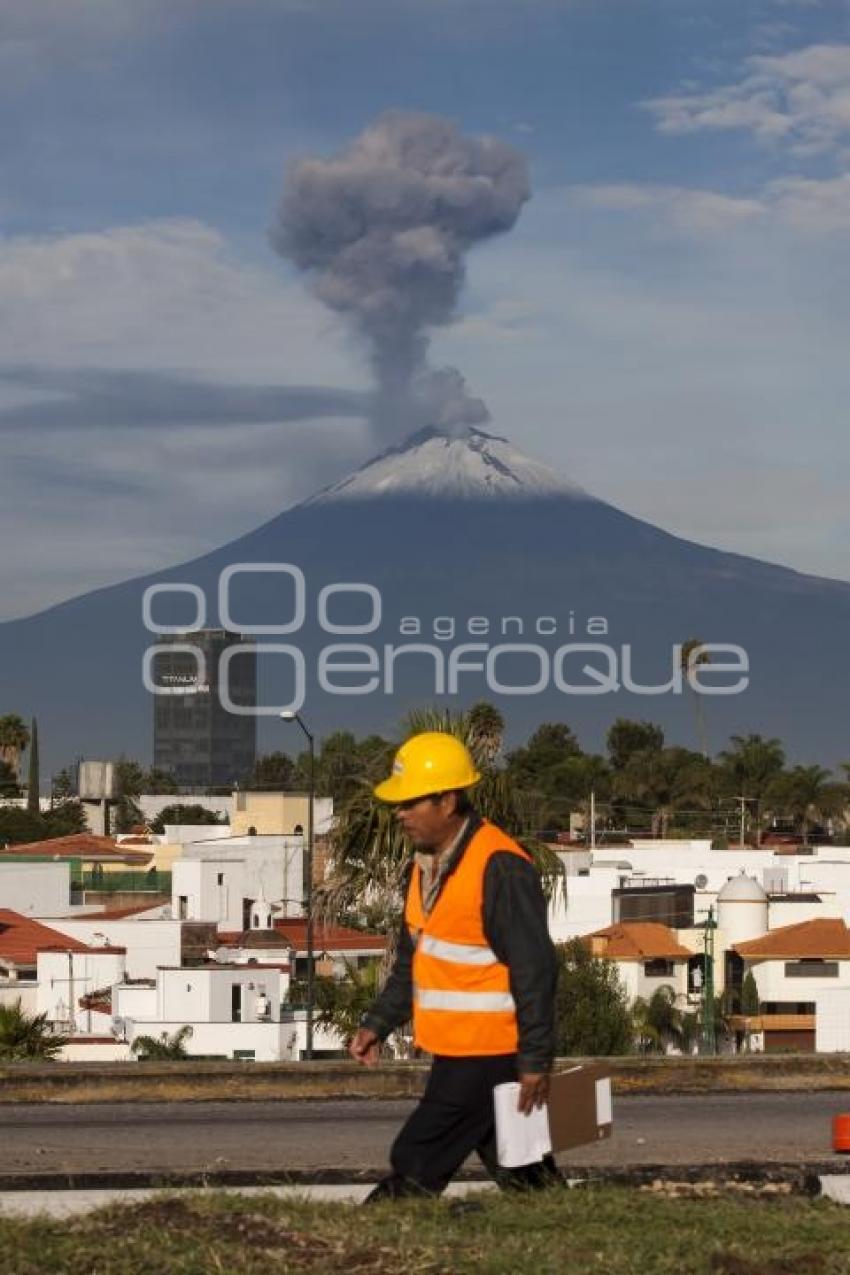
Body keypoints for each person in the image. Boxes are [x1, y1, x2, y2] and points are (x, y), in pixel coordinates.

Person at [349, 730, 560, 1200]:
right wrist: (378, 1024)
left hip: (489, 1053)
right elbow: (415, 963)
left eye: (411, 803)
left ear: (447, 801)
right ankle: (573, 1236)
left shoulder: (499, 865)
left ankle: (364, 1243)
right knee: (524, 1171)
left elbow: (535, 969)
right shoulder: (425, 868)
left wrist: (535, 1060)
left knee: (417, 1157)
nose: (399, 813)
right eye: (397, 804)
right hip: (462, 1049)